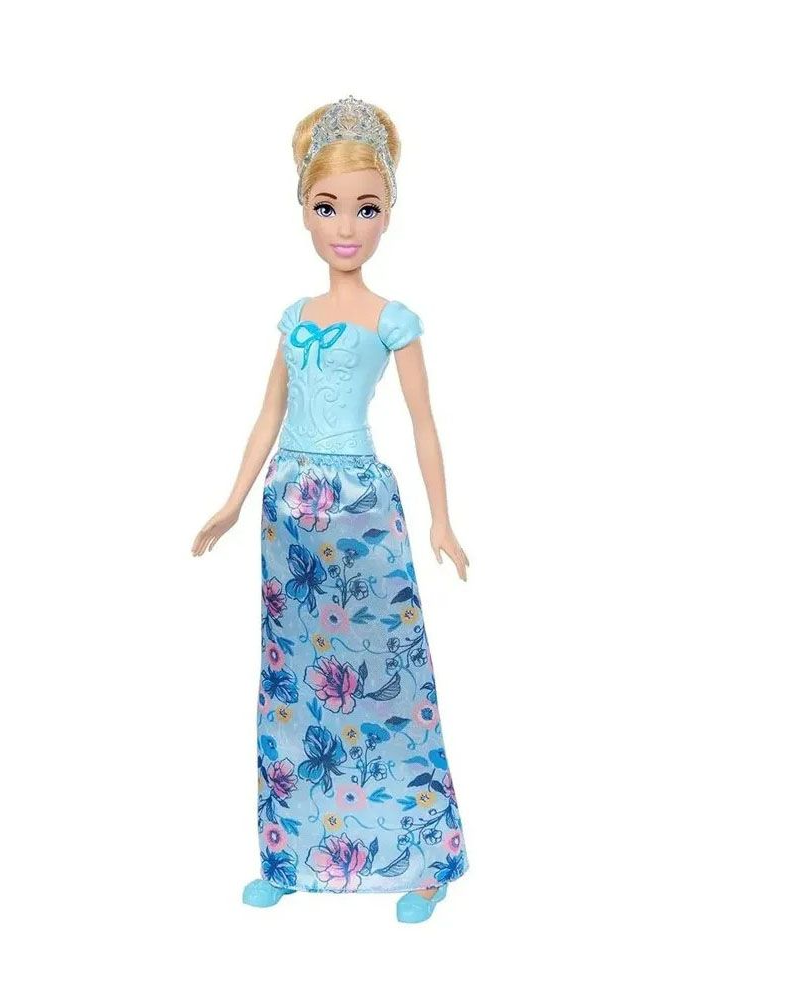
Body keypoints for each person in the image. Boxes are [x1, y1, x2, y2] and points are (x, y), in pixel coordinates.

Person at [192, 96, 471, 923]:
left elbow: (424, 424)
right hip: (289, 510)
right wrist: (233, 501)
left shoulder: (393, 320)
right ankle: (293, 854)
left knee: (391, 681)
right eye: (328, 207)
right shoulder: (294, 318)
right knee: (294, 685)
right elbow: (268, 415)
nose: (346, 226)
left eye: (366, 209)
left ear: (388, 213)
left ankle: (424, 857)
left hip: (359, 512)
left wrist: (442, 520)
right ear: (304, 211)